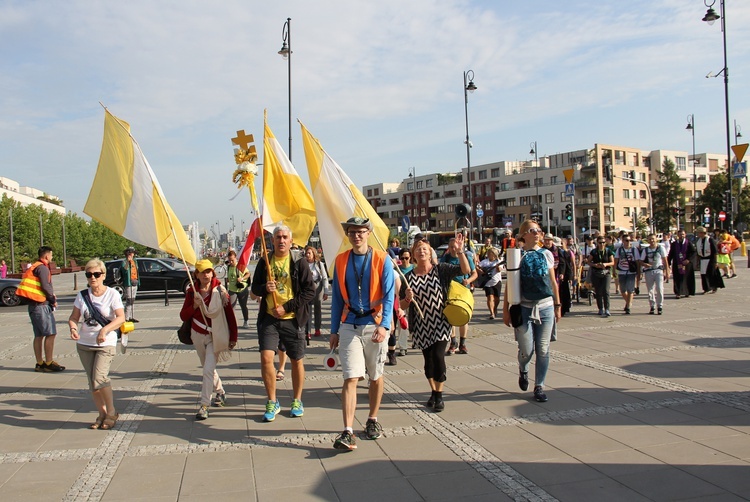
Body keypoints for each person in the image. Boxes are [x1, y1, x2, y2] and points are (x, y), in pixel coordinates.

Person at [330, 217, 395, 451]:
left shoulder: (382, 259)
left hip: (374, 323)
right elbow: (337, 298)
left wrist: (384, 325)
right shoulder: (340, 261)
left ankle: (372, 419)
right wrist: (334, 330)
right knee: (350, 377)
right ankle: (347, 431)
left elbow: (389, 297)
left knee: (375, 375)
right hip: (349, 325)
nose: (356, 235)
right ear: (347, 235)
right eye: (352, 232)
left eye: (360, 231)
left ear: (368, 233)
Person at [399, 234, 470, 412]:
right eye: (418, 249)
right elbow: (400, 305)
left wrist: (460, 252)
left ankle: (439, 396)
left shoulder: (441, 270)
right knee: (428, 363)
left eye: (425, 249)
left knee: (439, 357)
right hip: (422, 325)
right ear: (414, 255)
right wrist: (407, 299)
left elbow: (464, 270)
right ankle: (433, 389)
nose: (421, 251)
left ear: (430, 253)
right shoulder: (407, 278)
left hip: (441, 323)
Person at [251, 225, 315, 422]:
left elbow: (309, 291)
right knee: (266, 358)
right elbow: (254, 288)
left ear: (291, 239)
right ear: (272, 240)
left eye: (285, 237)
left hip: (292, 318)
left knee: (296, 360)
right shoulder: (265, 262)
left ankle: (297, 400)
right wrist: (264, 288)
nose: (281, 240)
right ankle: (272, 401)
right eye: (278, 237)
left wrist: (286, 307)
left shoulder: (299, 262)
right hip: (269, 318)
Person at [502, 220, 561, 403]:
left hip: (546, 306)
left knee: (543, 349)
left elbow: (553, 281)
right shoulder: (517, 255)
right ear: (523, 235)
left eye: (539, 231)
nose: (537, 233)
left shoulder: (547, 254)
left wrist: (558, 305)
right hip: (524, 308)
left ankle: (539, 386)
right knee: (526, 350)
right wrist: (505, 310)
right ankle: (523, 369)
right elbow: (510, 285)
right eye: (532, 230)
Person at [68, 259, 125, 430]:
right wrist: (72, 328)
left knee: (99, 378)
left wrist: (104, 330)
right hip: (85, 343)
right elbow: (73, 318)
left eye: (96, 274)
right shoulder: (82, 296)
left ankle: (112, 412)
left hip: (105, 343)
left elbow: (121, 318)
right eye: (89, 274)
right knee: (92, 382)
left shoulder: (112, 294)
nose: (93, 278)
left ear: (103, 275)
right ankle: (102, 413)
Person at [180, 260, 238, 421]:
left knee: (207, 370)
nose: (206, 275)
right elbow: (183, 316)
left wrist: (233, 337)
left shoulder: (220, 291)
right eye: (202, 272)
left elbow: (230, 316)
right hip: (197, 334)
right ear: (196, 275)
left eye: (208, 271)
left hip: (216, 335)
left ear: (213, 273)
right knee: (208, 368)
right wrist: (194, 306)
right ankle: (220, 392)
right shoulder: (192, 292)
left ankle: (204, 405)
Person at [16, 246, 65, 372]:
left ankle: (39, 363)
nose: (52, 257)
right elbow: (46, 286)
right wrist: (53, 300)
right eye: (51, 255)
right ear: (47, 256)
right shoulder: (42, 268)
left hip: (33, 306)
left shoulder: (34, 266)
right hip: (41, 306)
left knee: (38, 335)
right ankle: (48, 363)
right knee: (51, 333)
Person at [440, 236, 477, 354]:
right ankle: (453, 343)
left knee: (463, 317)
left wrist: (469, 281)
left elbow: (474, 273)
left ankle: (463, 344)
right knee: (451, 317)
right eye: (450, 247)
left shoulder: (466, 257)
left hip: (463, 290)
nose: (452, 249)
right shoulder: (445, 258)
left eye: (454, 246)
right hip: (450, 291)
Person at [639, 234, 669, 314]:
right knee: (650, 290)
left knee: (659, 289)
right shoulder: (646, 250)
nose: (651, 241)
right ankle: (652, 306)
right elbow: (641, 261)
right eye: (649, 239)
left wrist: (667, 272)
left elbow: (665, 260)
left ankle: (660, 306)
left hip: (658, 270)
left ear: (656, 239)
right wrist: (645, 264)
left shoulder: (660, 248)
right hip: (649, 271)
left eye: (653, 239)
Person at [304, 246, 329, 339]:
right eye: (306, 253)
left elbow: (325, 278)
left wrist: (326, 291)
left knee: (318, 308)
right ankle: (308, 331)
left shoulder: (319, 264)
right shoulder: (303, 264)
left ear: (313, 254)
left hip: (318, 287)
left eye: (309, 253)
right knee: (308, 310)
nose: (307, 255)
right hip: (307, 288)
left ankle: (317, 328)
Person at [588, 237, 615, 317]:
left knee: (606, 290)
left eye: (603, 242)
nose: (602, 244)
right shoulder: (594, 251)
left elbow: (612, 262)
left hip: (606, 272)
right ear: (597, 243)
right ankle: (600, 308)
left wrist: (606, 264)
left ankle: (607, 309)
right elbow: (589, 262)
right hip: (596, 273)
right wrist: (594, 265)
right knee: (598, 291)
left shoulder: (608, 251)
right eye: (600, 243)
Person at [395, 248, 414, 356]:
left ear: (410, 257)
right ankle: (403, 347)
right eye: (402, 258)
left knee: (413, 322)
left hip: (414, 300)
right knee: (402, 324)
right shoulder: (397, 270)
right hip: (401, 300)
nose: (404, 260)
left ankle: (415, 339)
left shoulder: (414, 269)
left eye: (406, 258)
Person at [668, 229, 696, 299]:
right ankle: (678, 293)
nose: (681, 236)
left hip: (686, 264)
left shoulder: (688, 243)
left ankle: (687, 292)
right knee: (677, 279)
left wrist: (688, 260)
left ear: (685, 235)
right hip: (677, 263)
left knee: (687, 278)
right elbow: (671, 254)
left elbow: (693, 252)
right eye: (680, 234)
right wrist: (668, 262)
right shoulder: (674, 244)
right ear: (678, 235)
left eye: (683, 234)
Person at [226, 250, 251, 328]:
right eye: (229, 260)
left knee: (243, 305)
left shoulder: (240, 266)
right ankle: (232, 323)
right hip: (232, 289)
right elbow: (230, 276)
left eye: (232, 260)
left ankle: (246, 321)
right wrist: (228, 280)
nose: (231, 262)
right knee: (231, 307)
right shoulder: (229, 267)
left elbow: (248, 273)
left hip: (242, 289)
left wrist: (242, 278)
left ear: (236, 258)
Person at [695, 226, 724, 294]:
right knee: (703, 274)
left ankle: (714, 287)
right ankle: (706, 288)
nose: (698, 234)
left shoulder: (710, 240)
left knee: (711, 274)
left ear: (703, 233)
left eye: (699, 233)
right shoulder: (699, 241)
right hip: (702, 259)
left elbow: (715, 252)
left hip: (710, 259)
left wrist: (716, 262)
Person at [476, 247, 503, 319]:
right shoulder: (485, 261)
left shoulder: (498, 261)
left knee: (497, 298)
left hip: (497, 281)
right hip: (487, 282)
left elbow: (499, 270)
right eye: (488, 253)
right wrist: (481, 271)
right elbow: (477, 266)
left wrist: (497, 267)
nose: (489, 255)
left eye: (490, 254)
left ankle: (495, 308)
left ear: (494, 254)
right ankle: (492, 313)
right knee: (490, 297)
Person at [614, 235, 638, 314]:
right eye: (626, 240)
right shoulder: (619, 250)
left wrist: (639, 272)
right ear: (623, 241)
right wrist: (614, 270)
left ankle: (628, 307)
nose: (628, 242)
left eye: (629, 240)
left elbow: (637, 261)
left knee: (630, 290)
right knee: (623, 290)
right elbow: (616, 261)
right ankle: (628, 302)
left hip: (631, 272)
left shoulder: (634, 250)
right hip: (622, 272)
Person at [120, 247, 139, 323]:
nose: (132, 255)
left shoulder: (135, 261)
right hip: (129, 283)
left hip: (135, 281)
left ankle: (131, 316)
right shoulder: (124, 262)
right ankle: (126, 317)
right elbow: (125, 270)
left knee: (133, 300)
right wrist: (128, 261)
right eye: (131, 253)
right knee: (129, 300)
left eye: (133, 253)